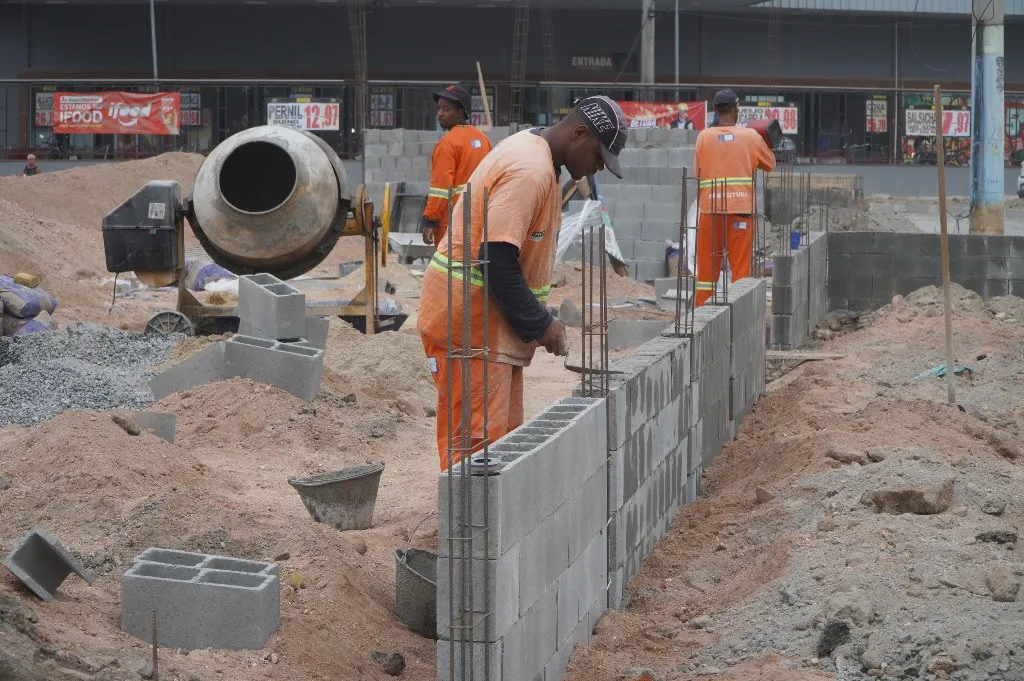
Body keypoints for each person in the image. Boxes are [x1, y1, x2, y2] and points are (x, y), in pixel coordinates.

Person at [418, 95, 628, 471]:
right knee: (476, 449)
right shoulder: (530, 170)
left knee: (500, 442)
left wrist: (535, 320)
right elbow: (497, 260)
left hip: (489, 326)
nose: (597, 167)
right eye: (599, 156)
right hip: (471, 325)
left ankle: (490, 527)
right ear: (579, 132)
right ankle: (468, 529)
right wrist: (541, 324)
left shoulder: (538, 154)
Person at [693, 89, 776, 307]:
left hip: (710, 212)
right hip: (741, 211)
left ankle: (701, 318)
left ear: (716, 110)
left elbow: (698, 173)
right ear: (735, 108)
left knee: (706, 275)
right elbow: (770, 164)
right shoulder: (750, 136)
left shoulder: (703, 137)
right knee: (740, 272)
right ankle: (740, 315)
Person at [422, 84, 493, 248]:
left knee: (448, 271)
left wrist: (429, 220)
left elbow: (440, 189)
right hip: (480, 221)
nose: (440, 113)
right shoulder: (483, 140)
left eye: (445, 109)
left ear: (460, 112)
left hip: (452, 223)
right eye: (439, 108)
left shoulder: (447, 144)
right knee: (474, 268)